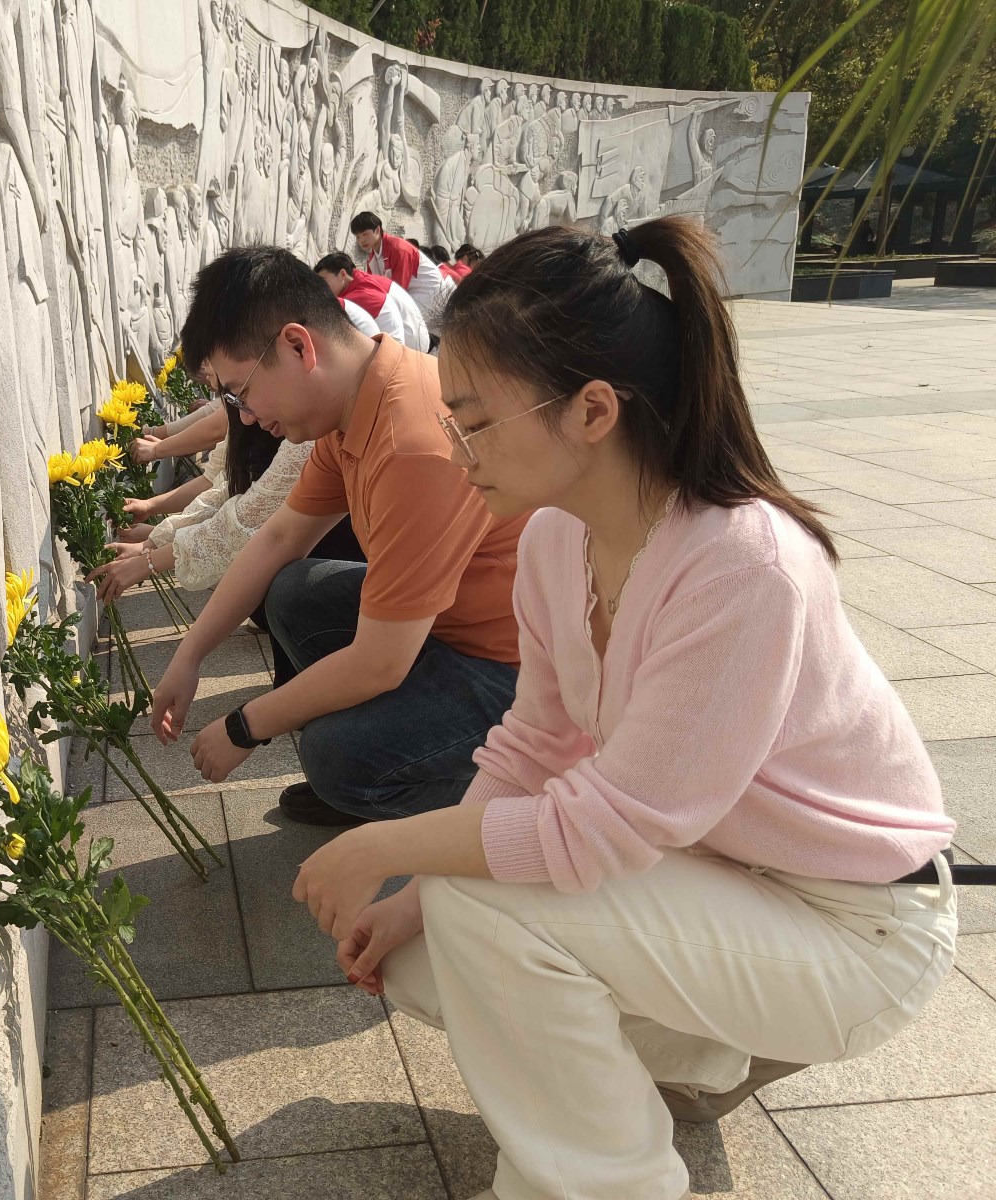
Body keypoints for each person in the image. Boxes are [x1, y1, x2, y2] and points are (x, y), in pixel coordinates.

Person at [292, 219, 959, 1200]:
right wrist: (410, 897)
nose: (455, 449)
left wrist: (381, 846)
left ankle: (604, 1180)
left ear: (593, 410)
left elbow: (603, 827)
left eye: (473, 420)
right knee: (430, 950)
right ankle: (694, 1058)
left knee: (483, 906)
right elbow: (532, 746)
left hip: (859, 932)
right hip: (731, 879)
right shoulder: (555, 540)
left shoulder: (743, 565)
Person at [153, 246, 528, 825]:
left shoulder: (412, 444)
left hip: (513, 669)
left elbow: (381, 663)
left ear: (298, 346)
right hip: (443, 625)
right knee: (293, 592)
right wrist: (189, 656)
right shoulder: (354, 403)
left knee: (337, 759)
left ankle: (503, 793)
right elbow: (278, 538)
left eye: (241, 393)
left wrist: (244, 726)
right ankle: (393, 756)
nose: (244, 417)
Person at [91, 403, 364, 688]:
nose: (240, 414)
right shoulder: (267, 410)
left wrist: (148, 559)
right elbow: (225, 490)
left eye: (241, 394)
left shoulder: (308, 438)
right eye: (230, 399)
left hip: (360, 584)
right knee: (270, 575)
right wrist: (154, 538)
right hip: (353, 591)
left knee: (280, 581)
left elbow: (244, 523)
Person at [350, 210, 454, 328]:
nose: (362, 240)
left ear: (377, 230)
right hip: (415, 296)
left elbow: (398, 289)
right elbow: (374, 288)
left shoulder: (398, 249)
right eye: (358, 237)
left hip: (432, 293)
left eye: (365, 234)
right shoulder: (372, 258)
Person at [314, 252, 428, 352]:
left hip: (408, 346)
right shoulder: (362, 280)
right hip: (412, 338)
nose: (322, 288)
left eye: (324, 281)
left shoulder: (358, 296)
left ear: (342, 274)